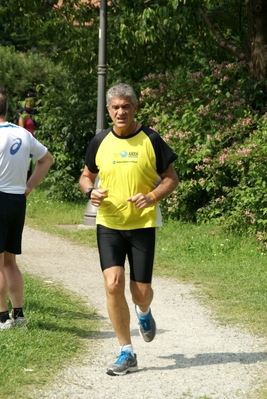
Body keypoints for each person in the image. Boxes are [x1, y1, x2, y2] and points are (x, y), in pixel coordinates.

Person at [79, 83, 178, 376]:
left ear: (135, 108)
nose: (121, 112)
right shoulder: (99, 140)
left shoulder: (151, 139)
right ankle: (126, 351)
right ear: (108, 111)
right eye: (115, 107)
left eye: (126, 106)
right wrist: (89, 193)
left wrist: (152, 197)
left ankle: (144, 312)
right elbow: (86, 177)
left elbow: (171, 178)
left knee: (140, 293)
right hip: (108, 223)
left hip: (142, 225)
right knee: (112, 283)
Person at [0, 93, 53, 330]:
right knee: (9, 262)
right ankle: (18, 315)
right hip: (16, 201)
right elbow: (46, 159)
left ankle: (2, 318)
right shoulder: (22, 133)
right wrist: (29, 185)